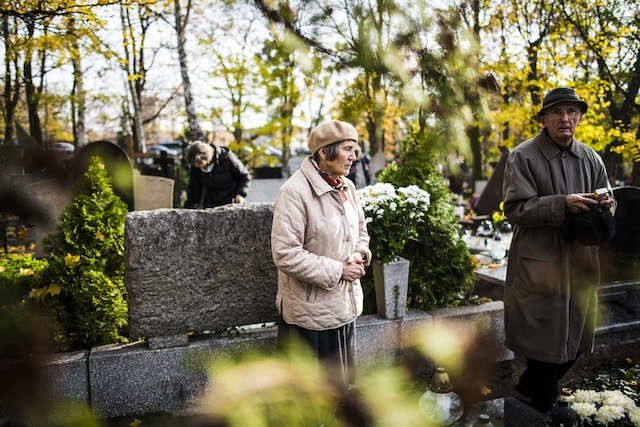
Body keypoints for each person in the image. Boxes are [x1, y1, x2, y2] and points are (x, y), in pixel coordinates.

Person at [502, 87, 615, 413]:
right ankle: (539, 405)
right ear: (544, 119)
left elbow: (609, 199)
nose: (565, 118)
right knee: (540, 339)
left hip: (580, 260)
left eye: (571, 112)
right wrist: (561, 204)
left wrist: (607, 203)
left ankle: (527, 392)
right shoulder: (523, 156)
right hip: (539, 262)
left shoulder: (591, 158)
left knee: (577, 336)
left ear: (579, 117)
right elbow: (514, 209)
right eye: (557, 112)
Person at [271, 120, 371, 389]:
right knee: (309, 399)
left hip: (343, 307)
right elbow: (285, 253)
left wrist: (360, 254)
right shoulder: (294, 192)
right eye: (348, 149)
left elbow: (361, 231)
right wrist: (339, 270)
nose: (354, 156)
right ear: (325, 152)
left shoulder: (347, 187)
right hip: (310, 317)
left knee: (341, 393)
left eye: (356, 149)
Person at [184, 141, 250, 208]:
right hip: (210, 205)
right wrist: (190, 206)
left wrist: (240, 194)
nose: (198, 167)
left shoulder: (227, 157)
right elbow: (194, 188)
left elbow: (244, 176)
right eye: (196, 166)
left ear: (206, 158)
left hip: (231, 202)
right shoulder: (195, 166)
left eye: (200, 165)